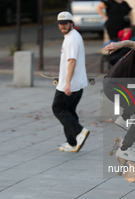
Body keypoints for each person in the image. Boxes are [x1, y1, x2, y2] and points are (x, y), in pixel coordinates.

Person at [52, 11, 90, 153]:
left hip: (70, 84)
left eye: (65, 23)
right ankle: (72, 143)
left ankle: (79, 132)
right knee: (69, 111)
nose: (63, 26)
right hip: (77, 83)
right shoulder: (72, 36)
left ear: (71, 23)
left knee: (58, 109)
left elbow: (72, 61)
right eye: (60, 24)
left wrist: (67, 84)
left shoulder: (72, 39)